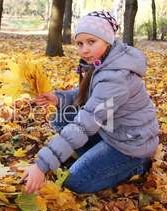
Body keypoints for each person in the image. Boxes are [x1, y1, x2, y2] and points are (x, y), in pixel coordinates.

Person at [22, 11, 159, 194]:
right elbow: (90, 96)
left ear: (107, 40)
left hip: (129, 144)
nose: (84, 49)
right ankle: (94, 156)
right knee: (61, 117)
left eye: (91, 42)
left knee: (74, 181)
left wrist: (41, 165)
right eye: (80, 43)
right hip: (111, 130)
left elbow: (85, 123)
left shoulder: (117, 77)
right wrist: (58, 98)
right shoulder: (104, 62)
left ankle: (137, 166)